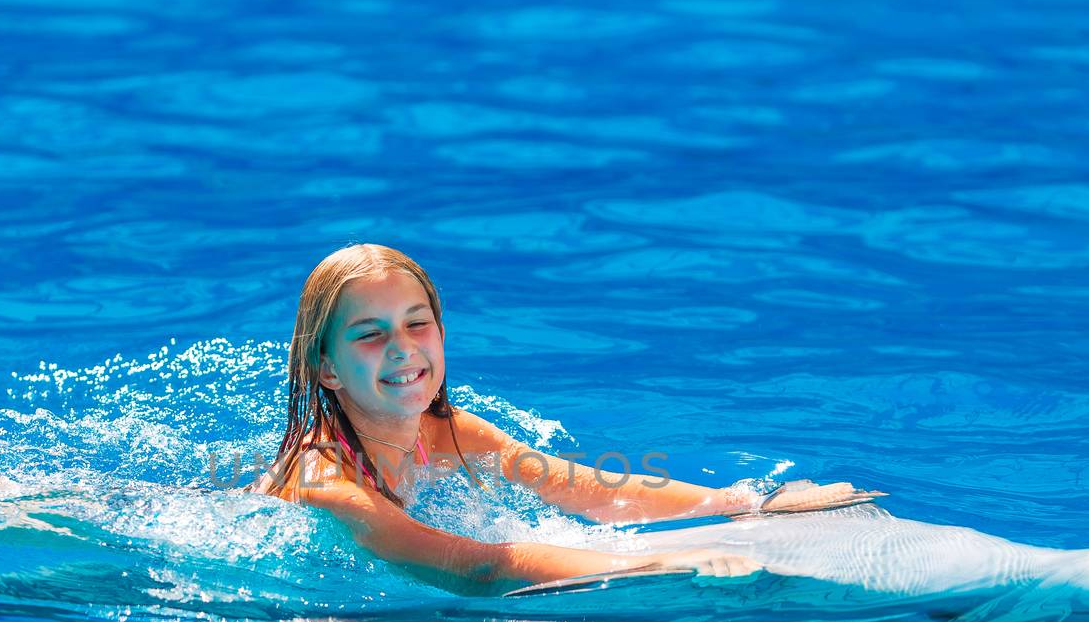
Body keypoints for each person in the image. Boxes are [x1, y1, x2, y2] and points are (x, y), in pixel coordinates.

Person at [250, 243, 884, 594]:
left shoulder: (449, 433)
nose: (403, 348)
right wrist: (649, 566)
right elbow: (477, 566)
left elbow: (580, 487)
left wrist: (746, 504)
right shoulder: (328, 482)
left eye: (418, 323)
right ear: (326, 370)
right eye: (370, 334)